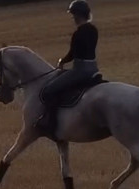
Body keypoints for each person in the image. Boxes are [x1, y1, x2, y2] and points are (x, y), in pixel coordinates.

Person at [36, 0, 99, 133]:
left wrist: (61, 61)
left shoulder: (78, 33)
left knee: (49, 90)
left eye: (73, 15)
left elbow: (73, 55)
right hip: (93, 69)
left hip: (80, 71)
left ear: (77, 15)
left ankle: (50, 122)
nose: (72, 17)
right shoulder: (94, 30)